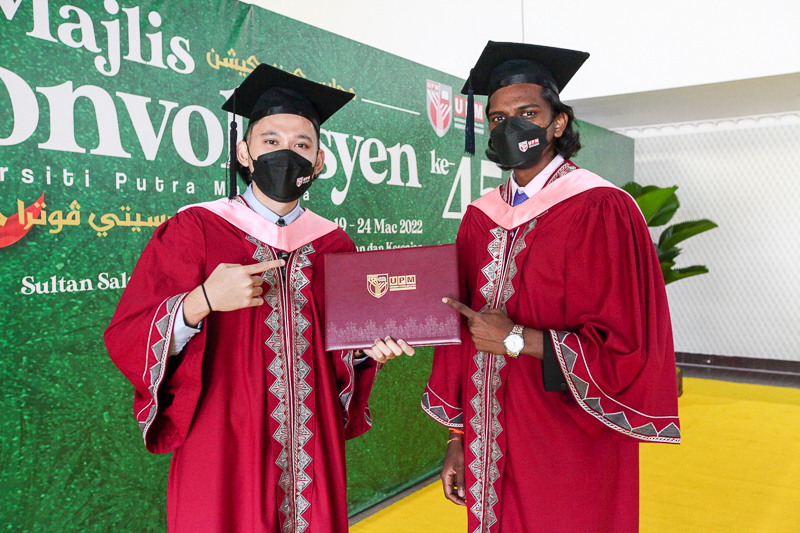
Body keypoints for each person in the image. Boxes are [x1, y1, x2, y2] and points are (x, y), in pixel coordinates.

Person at [105, 64, 413, 533]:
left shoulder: (335, 246)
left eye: (302, 145)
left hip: (310, 444)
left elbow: (340, 355)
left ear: (319, 162)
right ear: (244, 152)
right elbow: (127, 333)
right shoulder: (196, 229)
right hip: (222, 442)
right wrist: (202, 300)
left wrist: (367, 353)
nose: (286, 153)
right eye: (270, 140)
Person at [421, 41, 680, 533]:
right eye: (498, 118)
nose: (511, 127)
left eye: (528, 114)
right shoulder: (480, 217)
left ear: (558, 123)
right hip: (489, 434)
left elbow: (627, 346)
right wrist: (458, 436)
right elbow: (460, 330)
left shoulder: (600, 207)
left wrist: (517, 339)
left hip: (565, 435)